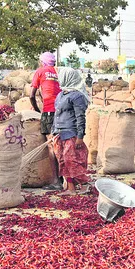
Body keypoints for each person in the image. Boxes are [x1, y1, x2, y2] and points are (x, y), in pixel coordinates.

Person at [51, 67, 90, 195]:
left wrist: (80, 136)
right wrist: (53, 131)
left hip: (71, 133)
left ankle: (84, 184)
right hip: (59, 132)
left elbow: (80, 117)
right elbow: (56, 114)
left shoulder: (77, 96)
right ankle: (71, 188)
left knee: (71, 161)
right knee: (62, 161)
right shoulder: (61, 94)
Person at [30, 52, 62, 190]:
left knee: (51, 145)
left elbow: (31, 95)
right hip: (62, 109)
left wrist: (37, 110)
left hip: (49, 109)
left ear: (42, 62)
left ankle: (56, 181)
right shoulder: (58, 72)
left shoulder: (40, 71)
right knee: (61, 143)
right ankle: (65, 178)